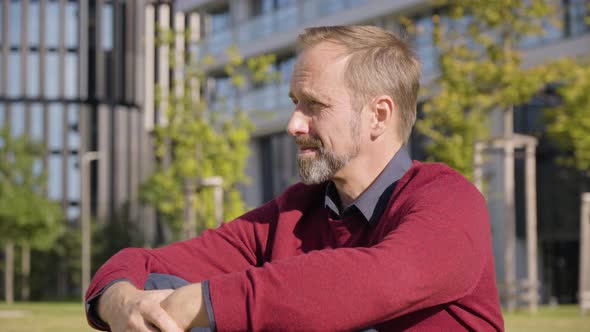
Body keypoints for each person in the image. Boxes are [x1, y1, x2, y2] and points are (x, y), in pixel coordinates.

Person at [85, 25, 504, 332]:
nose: (293, 124)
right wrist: (120, 301)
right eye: (293, 104)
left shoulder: (449, 200)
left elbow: (374, 281)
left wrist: (203, 301)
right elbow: (142, 265)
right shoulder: (292, 212)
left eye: (313, 105)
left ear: (378, 115)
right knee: (153, 294)